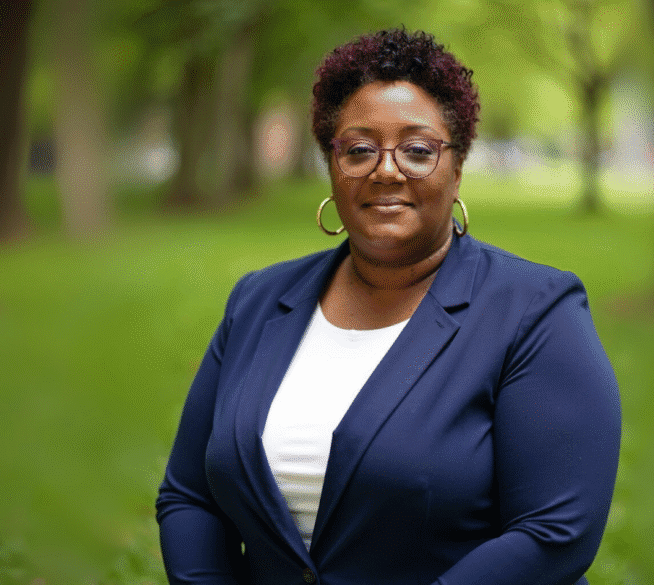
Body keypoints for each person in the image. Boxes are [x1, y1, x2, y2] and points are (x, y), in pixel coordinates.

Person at [156, 28, 621, 585]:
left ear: (457, 168)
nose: (386, 170)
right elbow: (189, 497)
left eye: (418, 150)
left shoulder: (535, 312)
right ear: (332, 166)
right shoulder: (257, 302)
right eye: (359, 150)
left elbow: (554, 531)